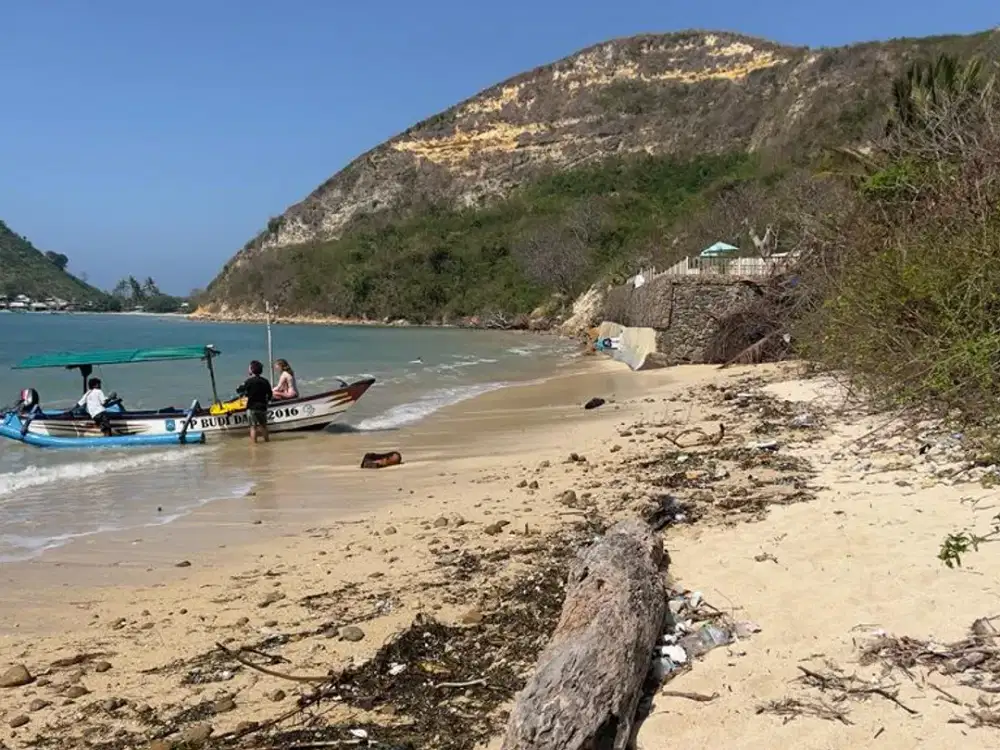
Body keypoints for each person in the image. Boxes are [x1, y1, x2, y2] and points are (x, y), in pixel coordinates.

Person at [243, 360, 272, 444]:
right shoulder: (265, 381)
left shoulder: (249, 381)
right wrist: (267, 401)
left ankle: (254, 445)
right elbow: (270, 394)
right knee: (264, 426)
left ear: (252, 370)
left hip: (251, 407)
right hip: (262, 407)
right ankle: (267, 442)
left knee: (253, 427)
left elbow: (242, 391)